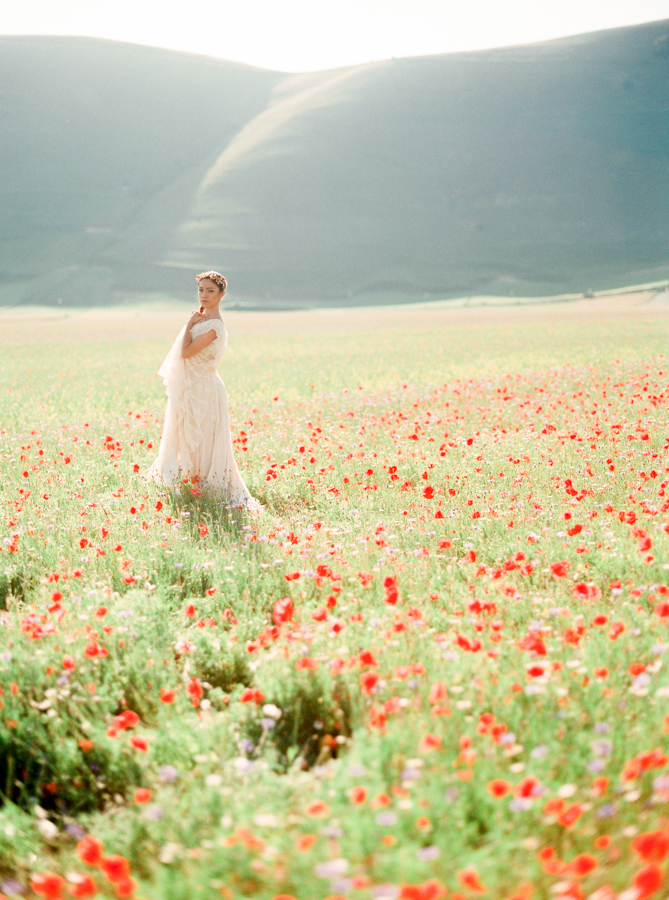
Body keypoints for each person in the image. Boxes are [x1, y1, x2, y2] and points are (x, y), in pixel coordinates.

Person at [146, 270, 262, 513]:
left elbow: (185, 352)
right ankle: (190, 484)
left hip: (207, 389)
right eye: (201, 290)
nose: (204, 295)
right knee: (187, 437)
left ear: (221, 294)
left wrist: (189, 324)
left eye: (210, 291)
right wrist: (191, 323)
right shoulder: (202, 320)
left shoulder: (215, 326)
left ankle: (211, 488)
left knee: (206, 439)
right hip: (191, 387)